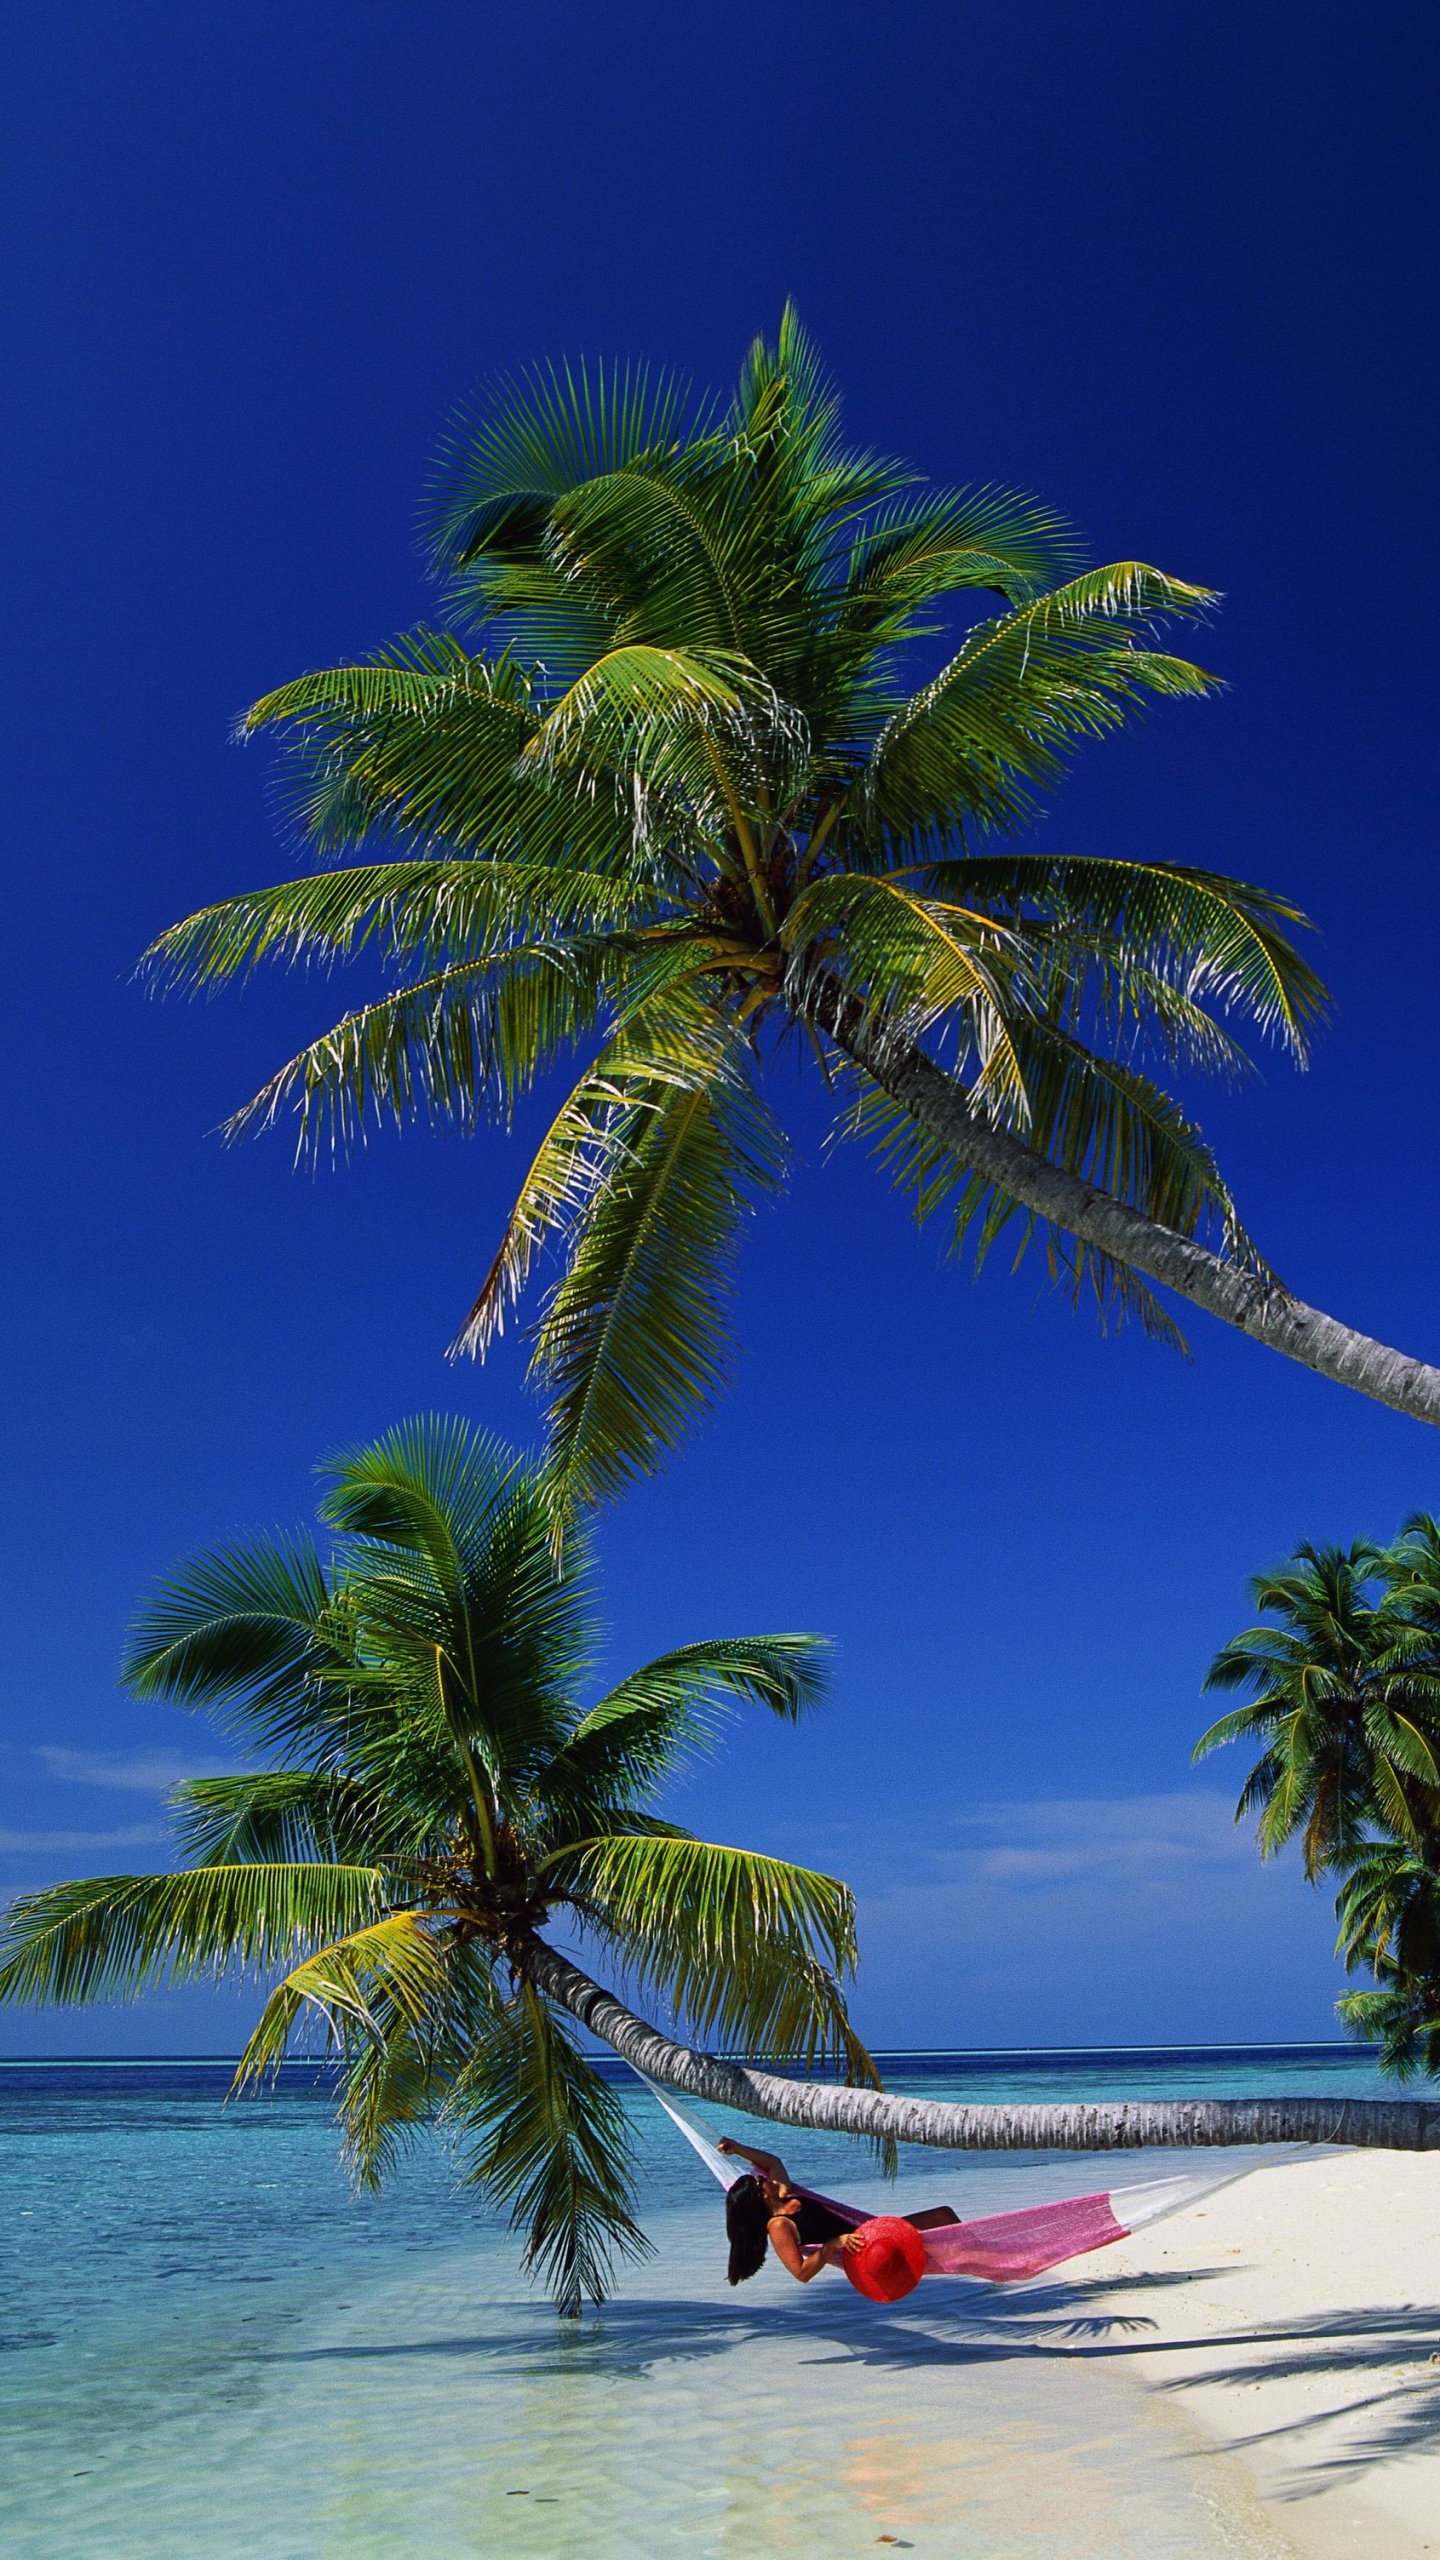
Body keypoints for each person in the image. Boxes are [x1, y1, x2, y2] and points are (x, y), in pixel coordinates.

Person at [716, 2136, 961, 2286]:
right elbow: (801, 2273)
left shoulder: (783, 2193)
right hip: (866, 2247)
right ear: (762, 2195)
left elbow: (773, 2162)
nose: (762, 2177)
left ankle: (992, 2262)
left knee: (944, 2217)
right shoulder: (778, 2226)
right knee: (952, 2251)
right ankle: (993, 2264)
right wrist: (831, 2245)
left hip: (871, 2230)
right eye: (760, 2181)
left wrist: (737, 2148)